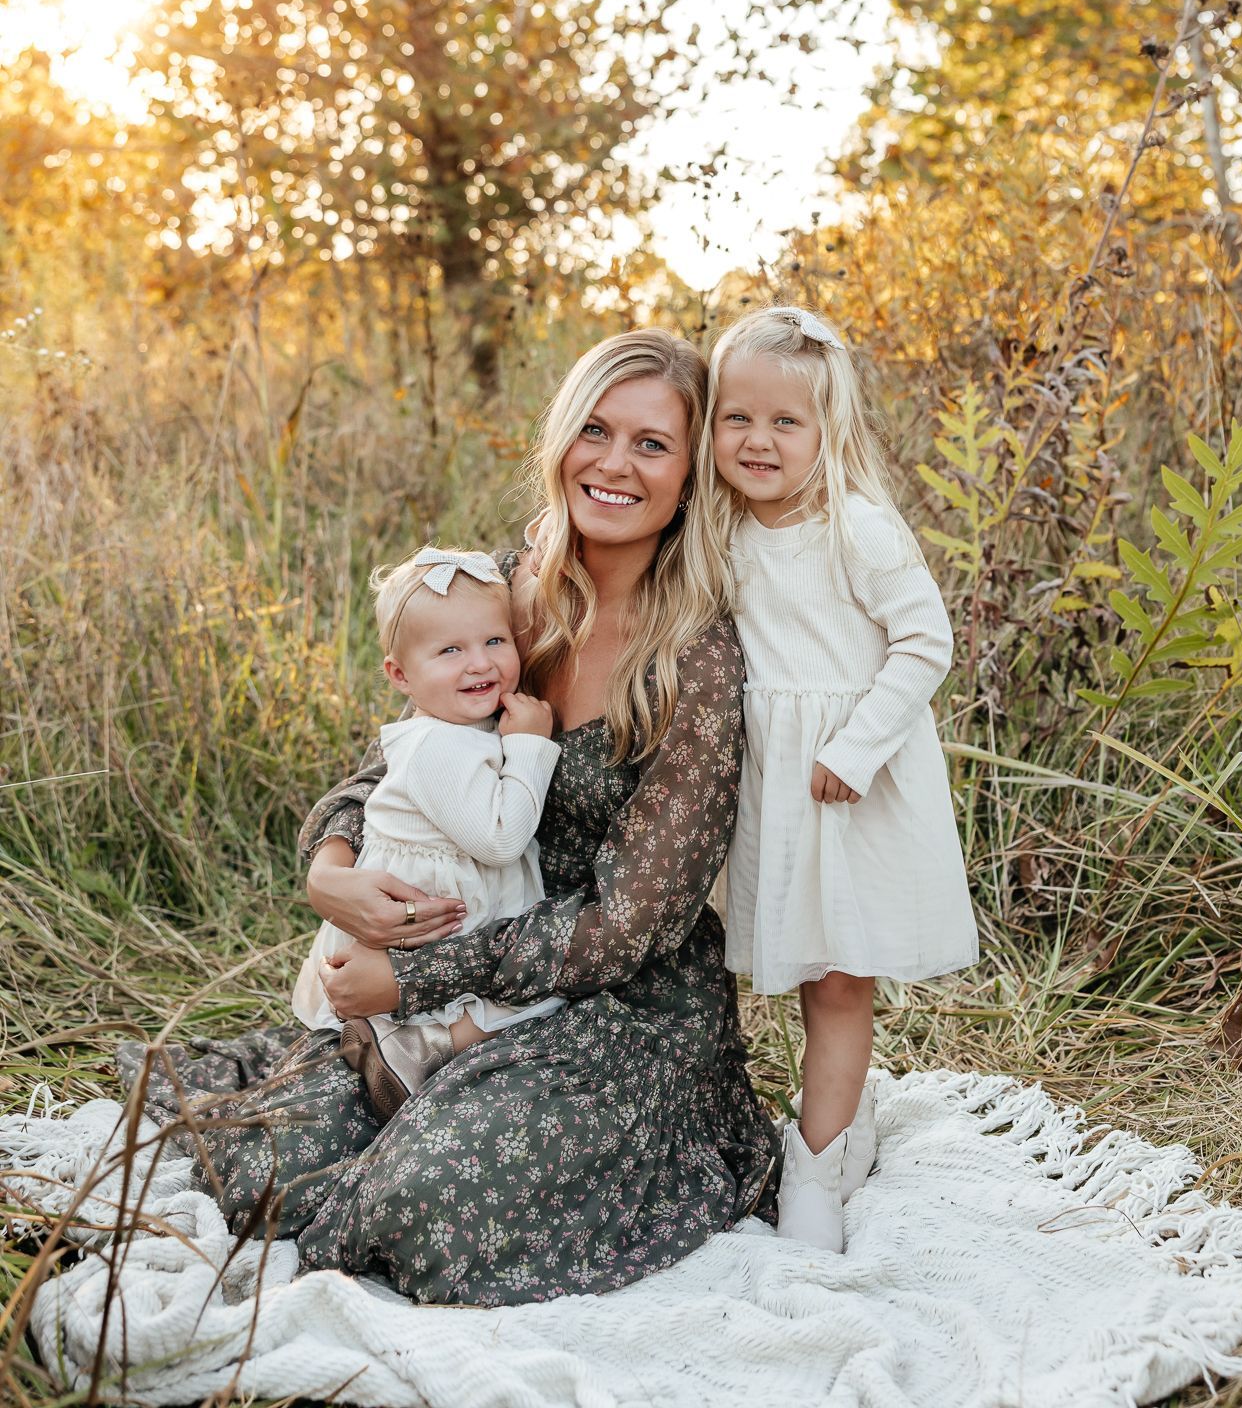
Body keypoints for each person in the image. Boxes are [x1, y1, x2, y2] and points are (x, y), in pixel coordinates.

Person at [153, 328, 779, 1306]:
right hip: (455, 967)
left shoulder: (695, 657)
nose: (613, 464)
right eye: (594, 430)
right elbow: (390, 758)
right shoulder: (497, 586)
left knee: (434, 1203)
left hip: (617, 1007)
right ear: (559, 439)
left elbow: (624, 930)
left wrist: (407, 974)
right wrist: (328, 866)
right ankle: (402, 1091)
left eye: (651, 445)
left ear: (692, 471)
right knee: (271, 1157)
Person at [700, 305, 978, 1252]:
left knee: (838, 980)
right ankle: (837, 1118)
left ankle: (815, 1170)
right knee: (774, 969)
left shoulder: (855, 528)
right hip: (769, 785)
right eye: (737, 418)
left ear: (829, 431)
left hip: (847, 782)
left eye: (786, 422)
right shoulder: (719, 529)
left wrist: (855, 748)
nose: (758, 441)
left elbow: (925, 641)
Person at [291, 544, 562, 1121]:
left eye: (494, 641)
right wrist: (531, 746)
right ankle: (414, 1046)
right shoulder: (435, 742)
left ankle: (415, 1043)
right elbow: (499, 840)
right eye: (450, 651)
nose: (480, 664)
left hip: (458, 905)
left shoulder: (456, 721)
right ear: (399, 675)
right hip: (426, 915)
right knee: (528, 1008)